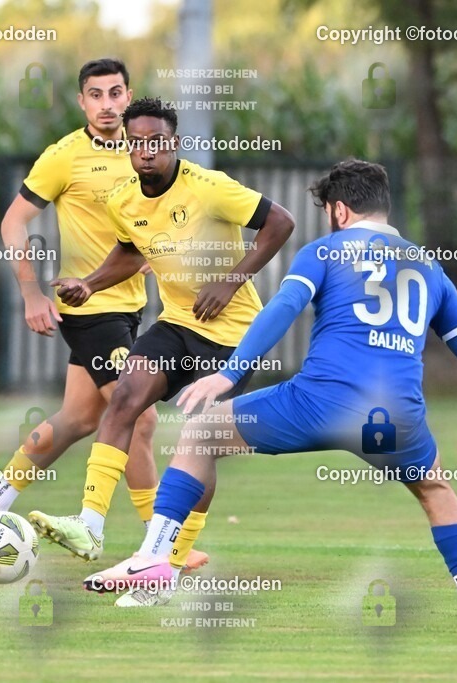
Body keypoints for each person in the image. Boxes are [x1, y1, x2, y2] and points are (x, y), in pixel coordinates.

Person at [84, 159, 457, 627]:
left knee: (201, 435)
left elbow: (283, 307)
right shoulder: (429, 267)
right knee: (434, 489)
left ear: (339, 211)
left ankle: (154, 559)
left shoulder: (324, 252)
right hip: (395, 417)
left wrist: (229, 373)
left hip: (317, 402)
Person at [29, 97, 295, 606]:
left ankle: (167, 567)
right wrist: (90, 283)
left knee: (201, 442)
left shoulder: (210, 187)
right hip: (177, 323)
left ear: (173, 143)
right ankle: (89, 524)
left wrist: (231, 279)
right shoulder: (123, 197)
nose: (147, 151)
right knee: (126, 394)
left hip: (233, 334)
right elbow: (131, 249)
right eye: (138, 143)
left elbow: (280, 221)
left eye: (157, 142)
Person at [0, 59, 210, 568]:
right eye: (95, 95)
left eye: (115, 93)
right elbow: (13, 222)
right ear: (82, 102)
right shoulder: (64, 157)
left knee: (78, 418)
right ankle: (161, 545)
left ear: (129, 95)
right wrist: (31, 293)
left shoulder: (147, 154)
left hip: (131, 308)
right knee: (137, 418)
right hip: (90, 308)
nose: (107, 105)